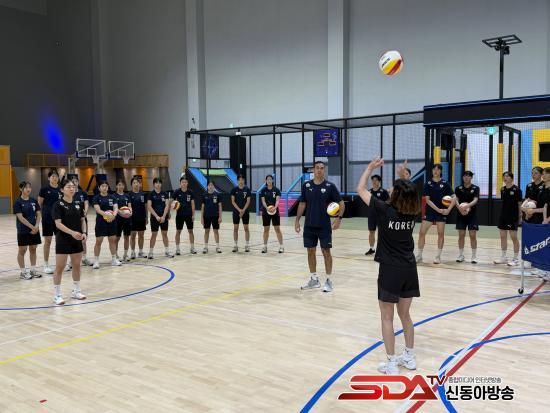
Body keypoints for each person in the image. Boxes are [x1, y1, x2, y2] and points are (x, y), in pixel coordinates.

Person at [357, 157, 421, 374]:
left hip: (390, 270)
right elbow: (410, 192)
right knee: (405, 315)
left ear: (396, 195)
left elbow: (360, 189)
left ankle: (392, 363)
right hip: (409, 269)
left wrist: (370, 168)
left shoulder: (384, 209)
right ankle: (409, 357)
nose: (390, 189)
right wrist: (404, 177)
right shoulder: (412, 211)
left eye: (394, 188)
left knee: (387, 317)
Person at [295, 161, 344, 293]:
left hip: (324, 226)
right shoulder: (306, 186)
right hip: (309, 226)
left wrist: (339, 219)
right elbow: (302, 204)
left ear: (324, 170)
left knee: (326, 252)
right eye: (317, 168)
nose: (319, 170)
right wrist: (297, 220)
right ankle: (314, 279)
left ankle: (328, 280)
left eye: (322, 168)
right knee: (310, 252)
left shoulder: (330, 186)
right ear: (313, 169)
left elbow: (341, 203)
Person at [51, 179, 87, 305]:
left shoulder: (79, 203)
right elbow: (58, 224)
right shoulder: (57, 204)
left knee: (77, 265)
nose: (72, 189)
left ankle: (76, 291)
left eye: (73, 186)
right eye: (68, 187)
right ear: (62, 190)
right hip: (63, 239)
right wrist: (72, 233)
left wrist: (84, 232)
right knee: (60, 267)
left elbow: (83, 220)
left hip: (77, 239)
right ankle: (57, 295)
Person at [416, 164, 454, 264]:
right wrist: (438, 210)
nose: (435, 171)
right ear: (432, 171)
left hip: (441, 212)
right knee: (422, 233)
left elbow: (454, 197)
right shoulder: (428, 183)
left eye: (438, 169)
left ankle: (438, 256)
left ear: (440, 171)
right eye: (434, 169)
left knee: (440, 233)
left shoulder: (445, 183)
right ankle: (419, 255)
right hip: (430, 211)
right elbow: (428, 200)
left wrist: (448, 210)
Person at [14, 181, 42, 280]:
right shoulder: (18, 202)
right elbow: (21, 218)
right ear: (21, 189)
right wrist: (32, 227)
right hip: (23, 230)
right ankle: (23, 272)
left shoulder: (34, 200)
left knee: (33, 249)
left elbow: (38, 214)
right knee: (22, 250)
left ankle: (33, 270)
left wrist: (37, 226)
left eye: (29, 187)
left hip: (34, 229)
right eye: (26, 187)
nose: (28, 189)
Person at [494, 171, 522, 266]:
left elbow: (519, 204)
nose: (505, 178)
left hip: (513, 216)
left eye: (507, 176)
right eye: (504, 176)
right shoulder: (502, 189)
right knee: (503, 236)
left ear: (511, 178)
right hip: (503, 216)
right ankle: (504, 257)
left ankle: (515, 259)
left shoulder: (517, 190)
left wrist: (520, 216)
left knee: (513, 237)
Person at [92, 181, 121, 268]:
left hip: (111, 222)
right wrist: (107, 215)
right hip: (101, 222)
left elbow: (116, 208)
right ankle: (96, 261)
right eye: (102, 186)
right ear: (99, 188)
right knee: (98, 241)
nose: (104, 188)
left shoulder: (112, 197)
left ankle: (114, 259)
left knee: (112, 240)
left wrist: (113, 215)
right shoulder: (96, 198)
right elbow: (98, 210)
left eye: (106, 186)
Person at [38, 169, 62, 274]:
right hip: (47, 218)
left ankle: (59, 263)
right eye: (52, 176)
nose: (54, 178)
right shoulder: (44, 189)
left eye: (56, 176)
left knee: (60, 240)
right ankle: (46, 264)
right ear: (48, 178)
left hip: (59, 219)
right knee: (48, 241)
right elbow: (39, 204)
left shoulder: (61, 189)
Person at [454, 171, 480, 264]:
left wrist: (467, 206)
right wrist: (460, 209)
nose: (466, 177)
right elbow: (456, 200)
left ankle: (474, 256)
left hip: (472, 215)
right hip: (461, 215)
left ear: (471, 177)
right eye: (464, 176)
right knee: (461, 235)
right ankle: (461, 255)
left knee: (472, 235)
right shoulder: (458, 188)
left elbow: (475, 200)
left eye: (468, 176)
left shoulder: (475, 188)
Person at [147, 177, 173, 259]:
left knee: (164, 234)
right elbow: (149, 206)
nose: (158, 184)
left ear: (161, 184)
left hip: (163, 217)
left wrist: (164, 216)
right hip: (154, 217)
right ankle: (151, 252)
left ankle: (167, 251)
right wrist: (156, 216)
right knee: (154, 234)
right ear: (154, 184)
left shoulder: (165, 194)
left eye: (159, 183)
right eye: (156, 183)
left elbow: (167, 205)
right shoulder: (151, 194)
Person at [365, 174, 389, 256]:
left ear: (379, 181)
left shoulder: (384, 191)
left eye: (376, 180)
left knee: (382, 233)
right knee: (371, 231)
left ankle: (383, 249)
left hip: (381, 215)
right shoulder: (369, 192)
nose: (374, 182)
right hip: (371, 215)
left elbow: (388, 202)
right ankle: (372, 249)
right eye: (373, 180)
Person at [173, 176, 197, 255]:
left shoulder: (190, 192)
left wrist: (193, 215)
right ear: (180, 183)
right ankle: (177, 249)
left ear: (187, 183)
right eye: (182, 182)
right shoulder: (177, 192)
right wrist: (172, 206)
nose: (184, 183)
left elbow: (193, 204)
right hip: (179, 215)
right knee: (178, 231)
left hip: (189, 215)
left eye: (185, 182)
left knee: (191, 231)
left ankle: (192, 248)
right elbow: (171, 201)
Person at [259, 175, 284, 253]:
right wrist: (267, 208)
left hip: (275, 211)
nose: (269, 181)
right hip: (266, 212)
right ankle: (265, 246)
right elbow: (263, 201)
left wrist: (275, 208)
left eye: (270, 179)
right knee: (266, 229)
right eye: (268, 179)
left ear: (272, 180)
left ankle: (281, 246)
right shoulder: (263, 190)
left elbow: (277, 200)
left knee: (277, 229)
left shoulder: (276, 190)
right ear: (266, 181)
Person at [71, 175, 91, 266]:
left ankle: (84, 258)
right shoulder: (69, 193)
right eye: (73, 181)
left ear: (78, 182)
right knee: (73, 240)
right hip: (72, 219)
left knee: (83, 239)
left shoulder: (83, 193)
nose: (75, 183)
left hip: (82, 218)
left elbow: (86, 204)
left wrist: (85, 212)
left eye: (76, 181)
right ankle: (71, 261)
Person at [230, 175, 252, 252]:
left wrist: (243, 210)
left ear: (244, 180)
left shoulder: (247, 189)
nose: (241, 181)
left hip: (245, 211)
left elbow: (248, 201)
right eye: (239, 180)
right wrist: (239, 210)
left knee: (246, 228)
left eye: (242, 179)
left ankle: (247, 245)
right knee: (235, 228)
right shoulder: (234, 190)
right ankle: (235, 245)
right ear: (237, 181)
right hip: (236, 211)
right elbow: (233, 201)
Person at [128, 177, 148, 258]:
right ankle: (132, 252)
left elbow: (146, 206)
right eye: (134, 183)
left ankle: (140, 252)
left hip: (141, 218)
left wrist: (147, 217)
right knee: (132, 236)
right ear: (131, 185)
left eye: (137, 183)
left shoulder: (143, 194)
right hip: (132, 219)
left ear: (140, 184)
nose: (136, 184)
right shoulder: (129, 195)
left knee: (141, 235)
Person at [113, 179, 132, 262]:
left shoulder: (127, 196)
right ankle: (116, 255)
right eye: (119, 185)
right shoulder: (113, 196)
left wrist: (130, 211)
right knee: (117, 238)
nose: (121, 186)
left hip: (127, 220)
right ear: (116, 186)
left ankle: (125, 254)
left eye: (122, 185)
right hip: (118, 220)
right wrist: (121, 213)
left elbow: (129, 206)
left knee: (127, 237)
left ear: (124, 186)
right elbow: (115, 208)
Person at [201, 181, 222, 254]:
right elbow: (202, 207)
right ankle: (205, 247)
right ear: (207, 186)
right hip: (206, 216)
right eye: (209, 185)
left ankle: (217, 247)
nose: (210, 186)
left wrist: (220, 216)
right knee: (206, 231)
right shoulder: (204, 195)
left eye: (212, 185)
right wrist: (202, 217)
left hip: (215, 216)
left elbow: (220, 206)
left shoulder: (217, 195)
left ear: (214, 186)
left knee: (216, 231)